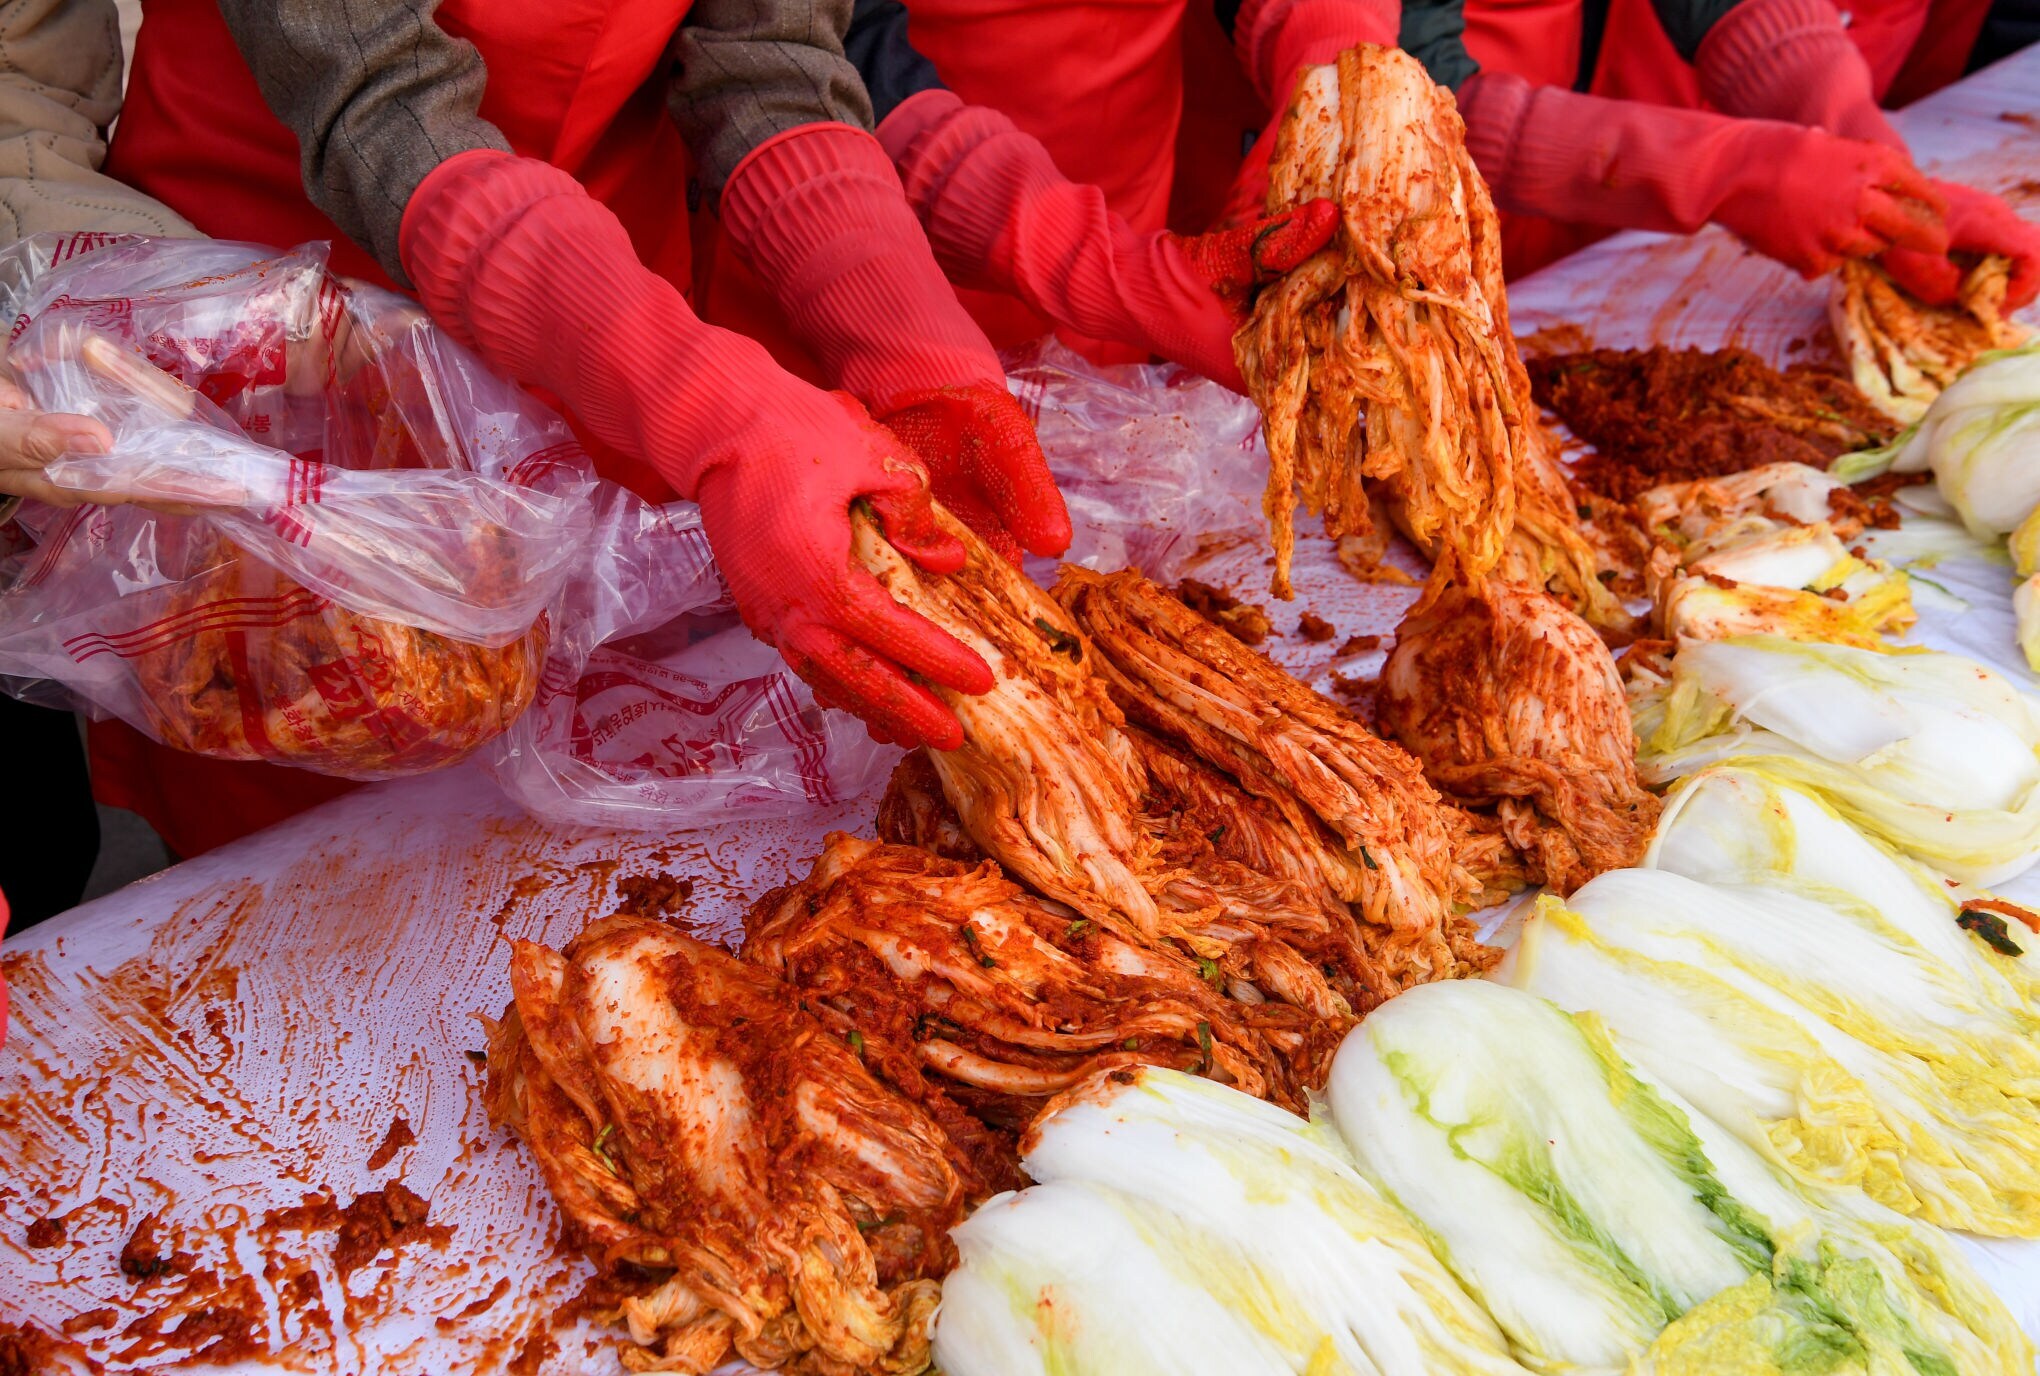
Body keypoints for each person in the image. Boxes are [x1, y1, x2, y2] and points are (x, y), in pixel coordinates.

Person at [0, 0, 1077, 858]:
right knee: (320, 870)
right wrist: (704, 400)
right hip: (284, 335)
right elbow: (380, 98)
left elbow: (775, 57)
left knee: (579, 851)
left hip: (609, 319)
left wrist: (903, 336)